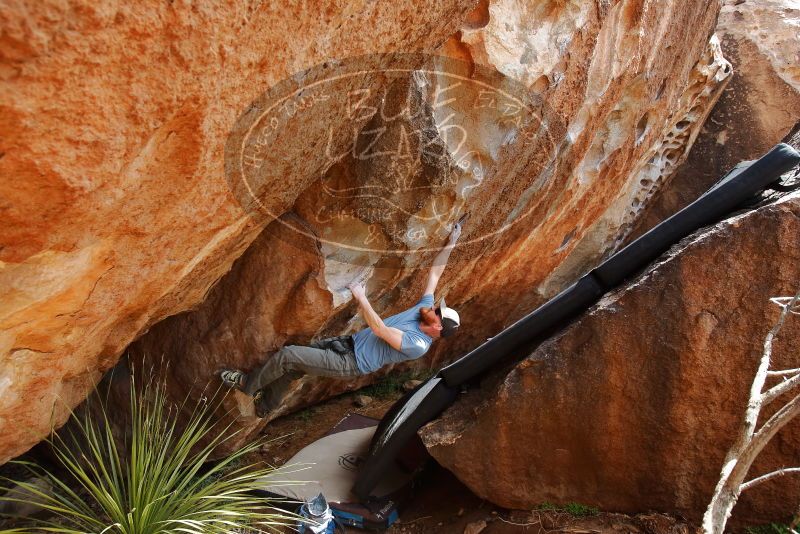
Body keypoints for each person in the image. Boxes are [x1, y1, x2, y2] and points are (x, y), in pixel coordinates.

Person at [219, 221, 463, 418]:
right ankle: (265, 407)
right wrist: (452, 242)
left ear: (437, 326)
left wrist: (360, 296)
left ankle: (246, 384)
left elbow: (379, 329)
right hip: (346, 344)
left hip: (351, 362)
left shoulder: (418, 345)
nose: (434, 307)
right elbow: (435, 273)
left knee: (289, 355)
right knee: (295, 369)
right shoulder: (424, 310)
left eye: (438, 312)